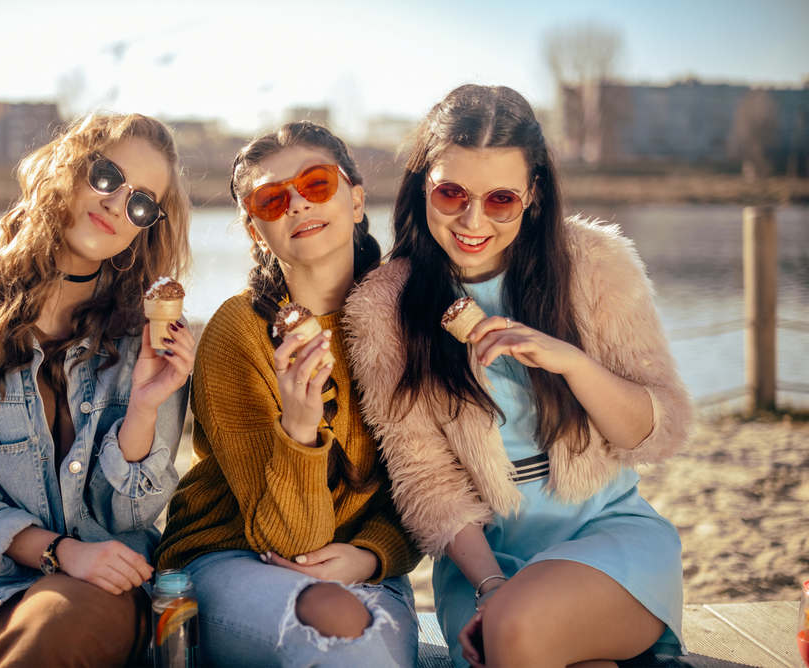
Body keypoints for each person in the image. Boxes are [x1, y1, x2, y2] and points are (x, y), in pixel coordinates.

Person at [344, 85, 693, 667]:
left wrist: (572, 363)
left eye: (500, 199)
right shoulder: (384, 306)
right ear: (421, 183)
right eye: (451, 192)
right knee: (527, 632)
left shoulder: (594, 264)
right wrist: (489, 586)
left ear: (532, 195)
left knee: (519, 629)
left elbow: (659, 431)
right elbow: (424, 480)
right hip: (484, 564)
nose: (472, 220)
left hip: (607, 538)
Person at [0, 112, 196, 667]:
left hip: (105, 584)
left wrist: (143, 405)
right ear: (67, 168)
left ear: (145, 229)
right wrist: (62, 553)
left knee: (59, 625)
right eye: (107, 176)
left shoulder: (153, 340)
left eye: (140, 203)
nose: (117, 204)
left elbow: (132, 516)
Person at [153, 121, 423, 666]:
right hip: (230, 556)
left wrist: (369, 557)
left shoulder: (408, 318)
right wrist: (299, 429)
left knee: (367, 644)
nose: (297, 203)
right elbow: (288, 537)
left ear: (356, 199)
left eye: (316, 183)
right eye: (272, 199)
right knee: (338, 628)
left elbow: (428, 490)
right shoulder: (240, 331)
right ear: (256, 230)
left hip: (365, 569)